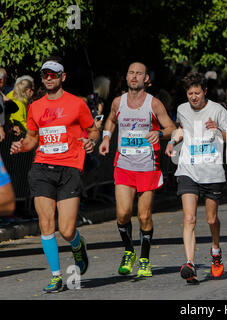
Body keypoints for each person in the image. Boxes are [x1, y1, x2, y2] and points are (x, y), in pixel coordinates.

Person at [10, 56, 99, 292]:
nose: (48, 78)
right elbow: (32, 138)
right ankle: (57, 276)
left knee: (67, 229)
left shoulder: (76, 103)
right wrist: (21, 145)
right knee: (46, 223)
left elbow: (92, 130)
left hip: (69, 168)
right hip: (42, 168)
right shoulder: (35, 106)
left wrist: (90, 142)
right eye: (45, 74)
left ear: (62, 77)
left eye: (53, 74)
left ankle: (78, 244)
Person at [99, 62, 176, 279]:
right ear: (126, 77)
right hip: (123, 165)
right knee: (123, 214)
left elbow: (171, 128)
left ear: (146, 79)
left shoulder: (155, 104)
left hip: (147, 166)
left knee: (144, 216)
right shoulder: (118, 102)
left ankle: (144, 258)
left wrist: (159, 134)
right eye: (131, 72)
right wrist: (106, 139)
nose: (134, 76)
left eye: (139, 73)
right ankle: (129, 251)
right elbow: (111, 121)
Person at [165, 71, 227, 284]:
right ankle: (190, 263)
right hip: (188, 170)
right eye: (189, 93)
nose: (193, 97)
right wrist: (171, 141)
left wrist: (219, 131)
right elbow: (182, 130)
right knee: (189, 218)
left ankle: (215, 251)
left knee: (211, 219)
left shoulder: (217, 110)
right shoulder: (182, 109)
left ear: (205, 91)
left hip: (212, 171)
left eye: (197, 93)